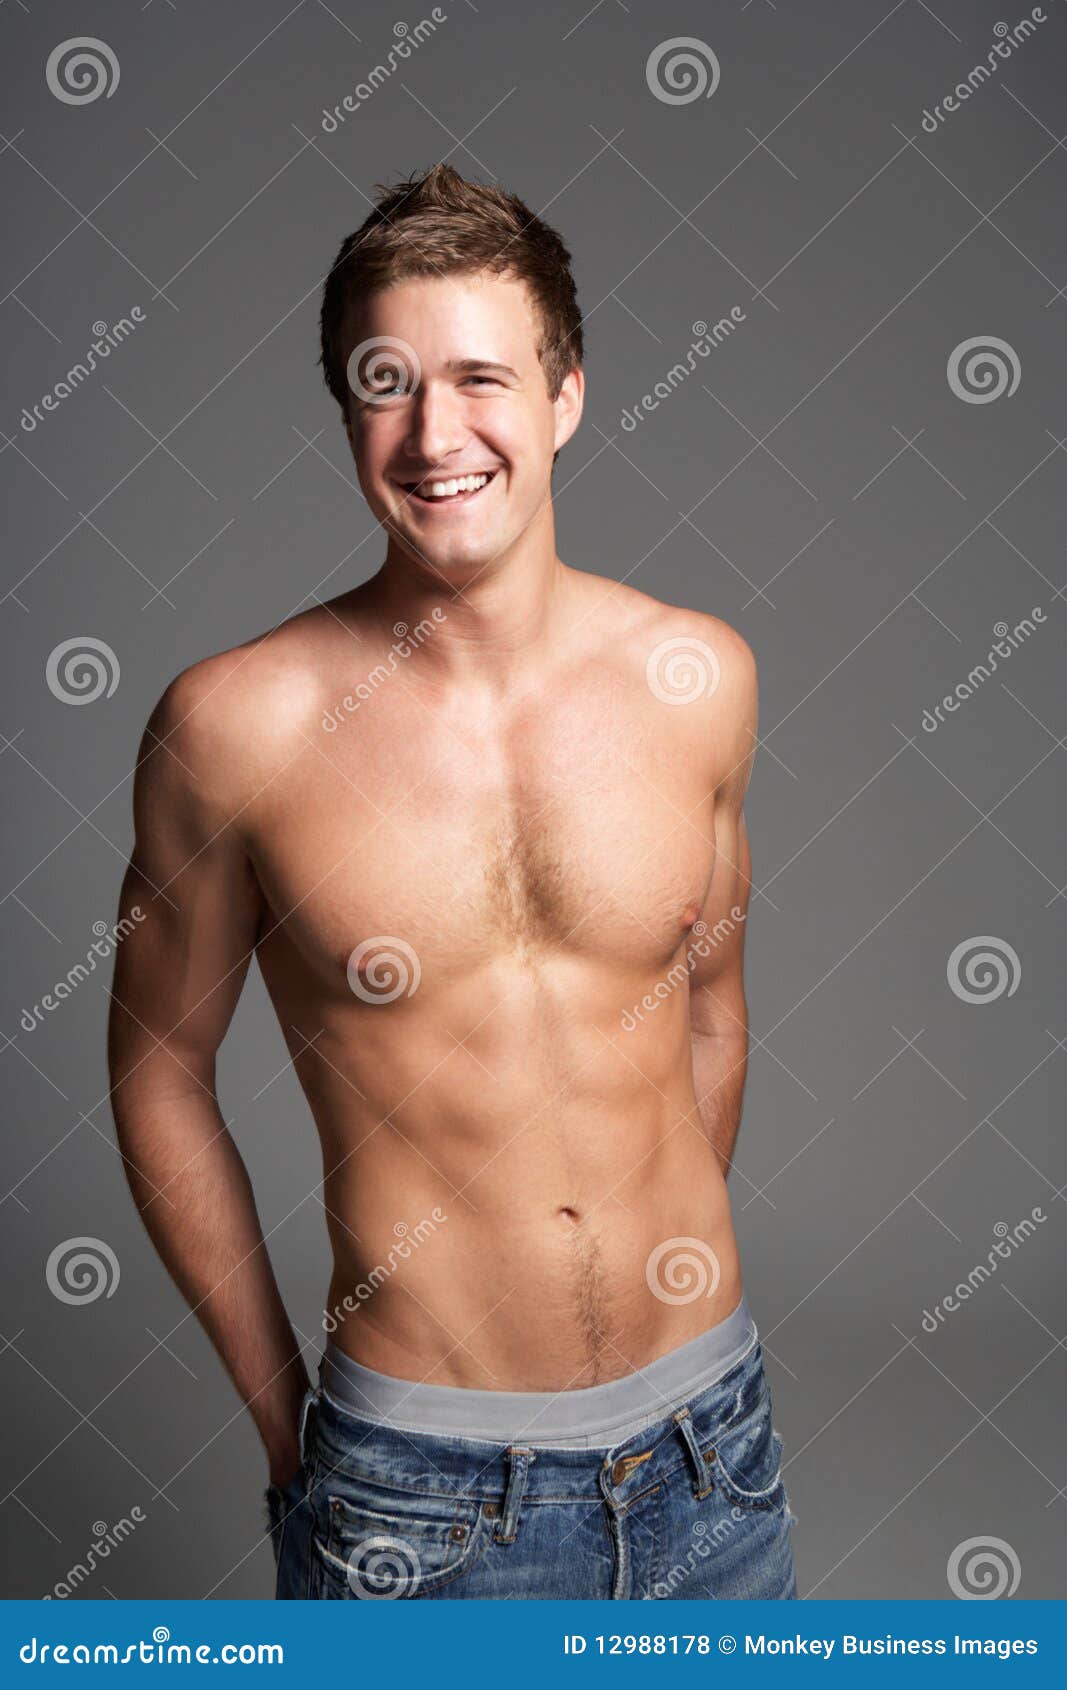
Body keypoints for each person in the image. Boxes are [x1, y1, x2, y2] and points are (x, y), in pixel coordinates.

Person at [108, 163, 797, 1600]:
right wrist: (290, 1432)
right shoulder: (235, 727)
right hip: (414, 1497)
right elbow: (160, 1069)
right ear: (348, 416)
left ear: (565, 397)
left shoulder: (698, 680)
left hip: (711, 1454)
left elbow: (709, 1005)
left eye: (482, 378)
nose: (437, 434)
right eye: (388, 384)